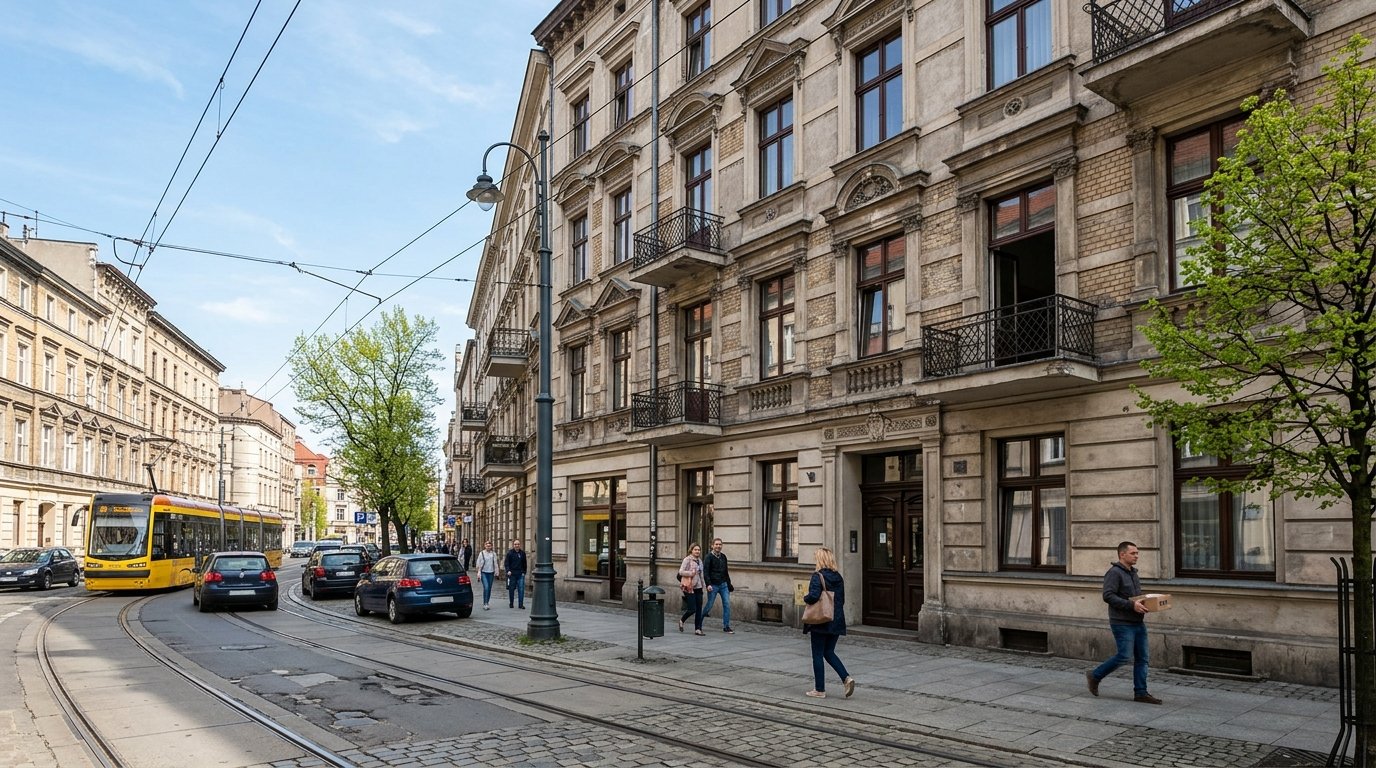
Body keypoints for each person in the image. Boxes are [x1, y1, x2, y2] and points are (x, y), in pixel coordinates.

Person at [1087, 541, 1162, 704]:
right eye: (1133, 553)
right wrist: (1131, 605)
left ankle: (1141, 693)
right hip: (1121, 623)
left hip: (1137, 622)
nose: (1137, 556)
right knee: (1124, 656)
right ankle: (1095, 675)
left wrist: (1144, 603)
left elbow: (1133, 596)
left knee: (1143, 658)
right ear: (1122, 554)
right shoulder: (1114, 573)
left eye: (1137, 553)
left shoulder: (1133, 573)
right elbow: (1108, 596)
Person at [802, 547, 854, 699]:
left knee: (817, 654)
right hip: (836, 620)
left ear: (820, 560)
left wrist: (805, 598)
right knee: (829, 652)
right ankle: (846, 678)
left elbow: (813, 596)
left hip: (821, 620)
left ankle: (819, 689)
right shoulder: (838, 577)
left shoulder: (818, 576)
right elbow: (841, 600)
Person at [701, 537, 734, 634]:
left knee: (727, 604)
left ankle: (726, 626)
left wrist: (729, 584)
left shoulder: (723, 557)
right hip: (713, 585)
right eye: (716, 544)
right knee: (709, 605)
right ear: (712, 545)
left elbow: (726, 572)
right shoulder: (708, 557)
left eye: (720, 544)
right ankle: (699, 623)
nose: (718, 546)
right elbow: (706, 572)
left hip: (723, 584)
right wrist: (708, 584)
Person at [677, 543, 706, 636]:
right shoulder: (687, 559)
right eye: (695, 550)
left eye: (699, 550)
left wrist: (704, 585)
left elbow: (701, 575)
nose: (697, 551)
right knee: (692, 609)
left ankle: (698, 629)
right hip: (689, 587)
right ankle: (682, 620)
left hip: (698, 587)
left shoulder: (700, 561)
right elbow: (680, 572)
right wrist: (691, 573)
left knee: (699, 609)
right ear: (691, 550)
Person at [501, 539, 528, 609]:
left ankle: (521, 604)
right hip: (512, 574)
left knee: (521, 589)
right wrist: (508, 571)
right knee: (511, 589)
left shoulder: (522, 553)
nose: (517, 545)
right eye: (515, 544)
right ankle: (511, 603)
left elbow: (524, 564)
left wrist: (524, 572)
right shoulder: (510, 553)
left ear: (520, 545)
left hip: (520, 574)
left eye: (518, 544)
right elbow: (506, 563)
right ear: (513, 545)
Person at [475, 541, 499, 609]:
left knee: (489, 588)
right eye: (487, 546)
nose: (488, 547)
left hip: (491, 572)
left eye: (489, 546)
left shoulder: (493, 554)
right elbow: (478, 563)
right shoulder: (481, 553)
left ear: (491, 546)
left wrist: (497, 572)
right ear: (485, 546)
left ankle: (487, 602)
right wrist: (478, 572)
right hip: (484, 572)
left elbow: (495, 563)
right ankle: (485, 603)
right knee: (486, 587)